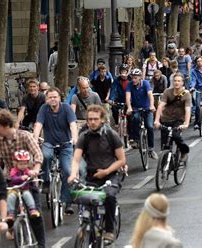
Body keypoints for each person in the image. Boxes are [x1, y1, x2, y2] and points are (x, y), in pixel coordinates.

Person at [67, 104, 126, 243]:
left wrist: (106, 171)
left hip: (110, 175)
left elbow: (122, 160)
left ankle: (110, 230)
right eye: (89, 119)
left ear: (102, 120)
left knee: (109, 197)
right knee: (86, 199)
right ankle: (89, 231)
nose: (92, 122)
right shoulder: (84, 136)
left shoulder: (111, 135)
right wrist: (73, 174)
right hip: (92, 176)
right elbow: (76, 159)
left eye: (95, 119)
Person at [0, 109, 46, 247]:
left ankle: (41, 244)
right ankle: (13, 227)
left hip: (28, 177)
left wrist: (35, 170)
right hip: (11, 178)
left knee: (35, 213)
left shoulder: (25, 136)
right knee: (10, 209)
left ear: (6, 126)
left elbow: (38, 154)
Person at [33, 88, 78, 214]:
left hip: (66, 144)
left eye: (55, 97)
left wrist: (74, 138)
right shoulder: (44, 109)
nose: (52, 99)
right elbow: (38, 125)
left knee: (68, 171)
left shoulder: (67, 108)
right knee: (45, 156)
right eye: (50, 97)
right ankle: (46, 181)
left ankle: (67, 201)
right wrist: (35, 140)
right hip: (49, 143)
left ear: (59, 98)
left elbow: (73, 125)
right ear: (47, 99)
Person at [154, 73, 191, 162]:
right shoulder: (167, 92)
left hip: (178, 120)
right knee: (165, 144)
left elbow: (187, 109)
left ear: (182, 83)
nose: (176, 83)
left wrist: (186, 123)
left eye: (179, 81)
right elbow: (160, 106)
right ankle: (163, 168)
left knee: (176, 135)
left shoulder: (186, 94)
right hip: (166, 119)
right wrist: (156, 121)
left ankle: (183, 151)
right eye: (175, 81)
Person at [126, 69, 157, 159]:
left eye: (136, 78)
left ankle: (151, 149)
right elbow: (128, 97)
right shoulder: (130, 84)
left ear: (140, 78)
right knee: (135, 118)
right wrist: (129, 107)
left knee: (150, 126)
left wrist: (151, 105)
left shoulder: (146, 84)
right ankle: (136, 140)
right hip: (136, 108)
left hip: (147, 108)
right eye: (133, 78)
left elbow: (150, 95)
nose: (134, 80)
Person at [6, 150, 40, 222]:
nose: (23, 166)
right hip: (15, 188)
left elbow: (30, 173)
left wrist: (32, 173)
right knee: (11, 196)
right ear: (16, 163)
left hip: (24, 189)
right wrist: (20, 178)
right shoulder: (14, 170)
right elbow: (13, 179)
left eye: (25, 164)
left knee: (27, 195)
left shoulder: (26, 170)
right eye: (21, 164)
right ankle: (10, 214)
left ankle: (32, 210)